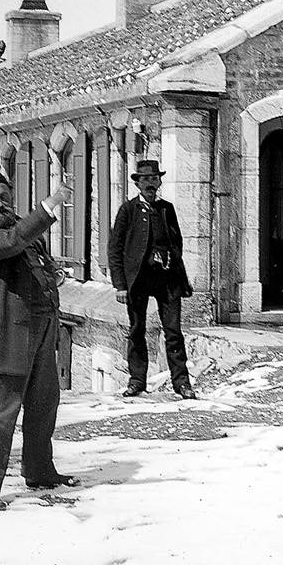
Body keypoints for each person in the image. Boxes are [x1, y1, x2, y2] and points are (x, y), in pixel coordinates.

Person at [0, 169, 78, 511]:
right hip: (11, 333)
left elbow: (31, 250)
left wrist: (52, 273)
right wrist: (50, 205)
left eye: (4, 197)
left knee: (44, 403)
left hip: (41, 327)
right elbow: (13, 243)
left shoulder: (22, 228)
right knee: (2, 410)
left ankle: (39, 470)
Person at [108, 159, 196, 400]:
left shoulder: (166, 208)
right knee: (137, 330)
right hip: (138, 280)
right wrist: (120, 285)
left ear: (159, 182)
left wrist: (172, 263)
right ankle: (137, 381)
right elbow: (115, 249)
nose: (150, 183)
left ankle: (182, 383)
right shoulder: (128, 210)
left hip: (166, 281)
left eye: (154, 179)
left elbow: (176, 242)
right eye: (145, 179)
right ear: (138, 183)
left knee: (173, 331)